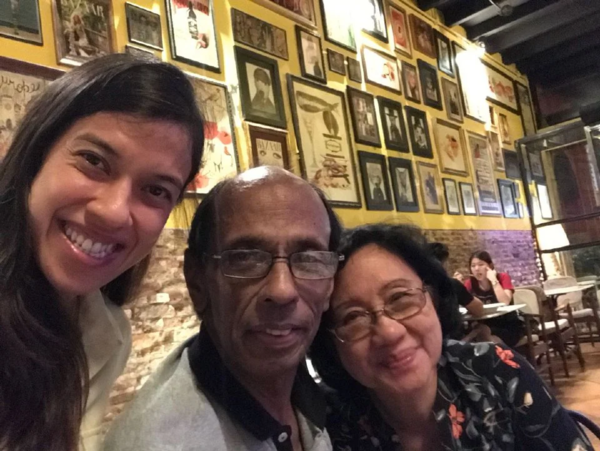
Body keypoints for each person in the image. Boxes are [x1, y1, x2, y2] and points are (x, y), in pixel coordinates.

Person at [0, 53, 205, 451]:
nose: (113, 213)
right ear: (35, 155)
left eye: (156, 190)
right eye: (94, 161)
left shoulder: (101, 335)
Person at [103, 167, 342, 451]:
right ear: (197, 281)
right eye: (245, 258)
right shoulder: (160, 443)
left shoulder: (329, 399)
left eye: (309, 259)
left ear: (330, 284)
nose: (282, 290)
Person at [310, 224, 593, 451]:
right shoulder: (322, 426)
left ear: (432, 298)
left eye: (400, 298)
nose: (389, 331)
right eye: (352, 317)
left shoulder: (498, 371)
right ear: (330, 342)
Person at [458, 250, 526, 347]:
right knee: (479, 333)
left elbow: (505, 301)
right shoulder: (469, 283)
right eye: (473, 266)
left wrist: (494, 280)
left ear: (490, 266)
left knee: (486, 339)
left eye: (481, 264)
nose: (477, 269)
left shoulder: (502, 277)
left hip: (507, 324)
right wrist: (459, 288)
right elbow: (464, 306)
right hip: (484, 324)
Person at [428, 242, 484, 339]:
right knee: (483, 329)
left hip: (430, 338)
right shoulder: (451, 284)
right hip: (452, 341)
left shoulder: (419, 284)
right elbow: (478, 309)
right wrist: (459, 286)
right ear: (443, 263)